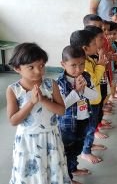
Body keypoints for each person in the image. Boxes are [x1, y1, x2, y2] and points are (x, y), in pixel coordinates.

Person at [6, 43, 71, 183]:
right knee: (29, 174)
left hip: (50, 138)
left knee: (52, 171)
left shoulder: (50, 84)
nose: (38, 71)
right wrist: (32, 102)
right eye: (31, 67)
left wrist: (43, 100)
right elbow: (13, 120)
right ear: (18, 68)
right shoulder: (13, 90)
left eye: (41, 65)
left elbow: (61, 110)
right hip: (27, 141)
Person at [57, 46, 99, 184]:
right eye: (73, 65)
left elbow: (94, 96)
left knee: (77, 148)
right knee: (67, 152)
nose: (78, 69)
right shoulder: (60, 83)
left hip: (84, 120)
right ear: (63, 64)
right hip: (67, 125)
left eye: (81, 64)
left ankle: (73, 169)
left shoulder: (85, 76)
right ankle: (67, 178)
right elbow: (62, 105)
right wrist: (76, 91)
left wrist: (84, 89)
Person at [70, 30, 106, 164]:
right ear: (85, 48)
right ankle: (86, 151)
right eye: (94, 43)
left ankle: (88, 146)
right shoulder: (83, 65)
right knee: (90, 128)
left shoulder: (89, 59)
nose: (97, 46)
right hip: (90, 103)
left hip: (94, 100)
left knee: (92, 127)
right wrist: (101, 65)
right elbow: (93, 81)